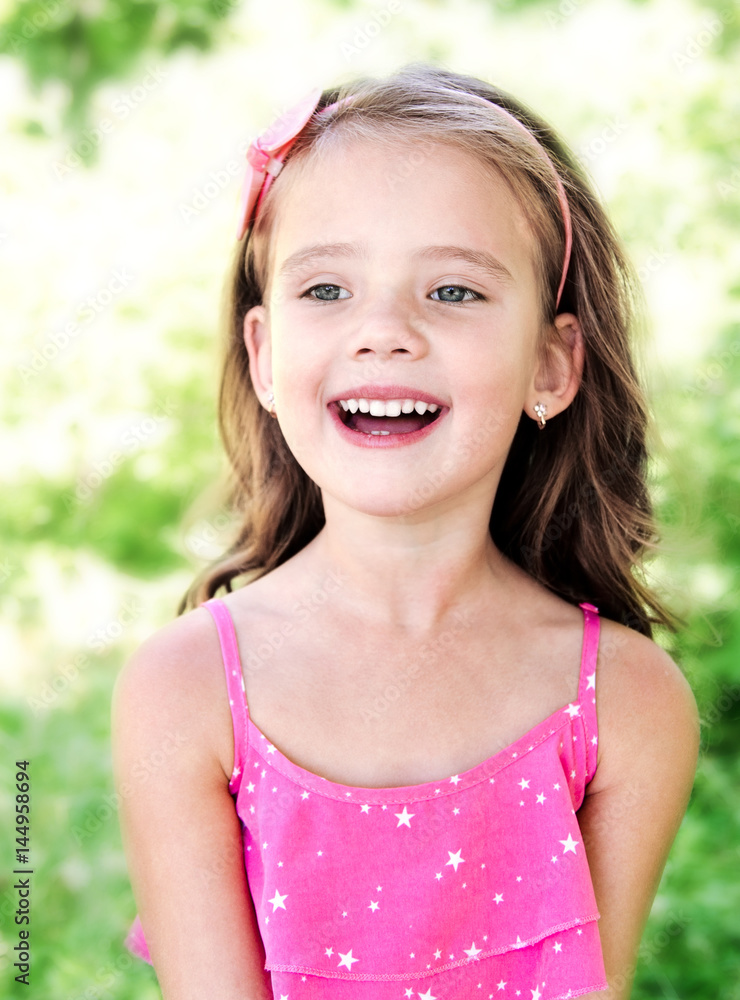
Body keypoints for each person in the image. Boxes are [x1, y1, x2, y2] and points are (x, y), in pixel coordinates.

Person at [111, 63, 700, 1000]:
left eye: (454, 292)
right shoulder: (185, 692)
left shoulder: (625, 702)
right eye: (327, 290)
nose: (383, 331)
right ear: (264, 356)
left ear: (551, 365)